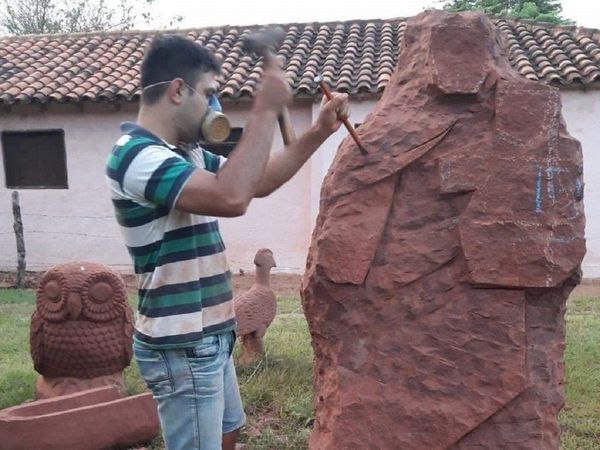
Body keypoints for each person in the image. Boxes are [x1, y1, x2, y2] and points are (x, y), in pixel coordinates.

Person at [105, 34, 349, 450]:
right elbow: (231, 197)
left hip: (211, 334)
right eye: (210, 95)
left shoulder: (189, 152)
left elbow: (260, 180)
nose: (215, 107)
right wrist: (265, 108)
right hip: (181, 343)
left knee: (226, 431)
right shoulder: (134, 155)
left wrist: (320, 131)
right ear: (178, 90)